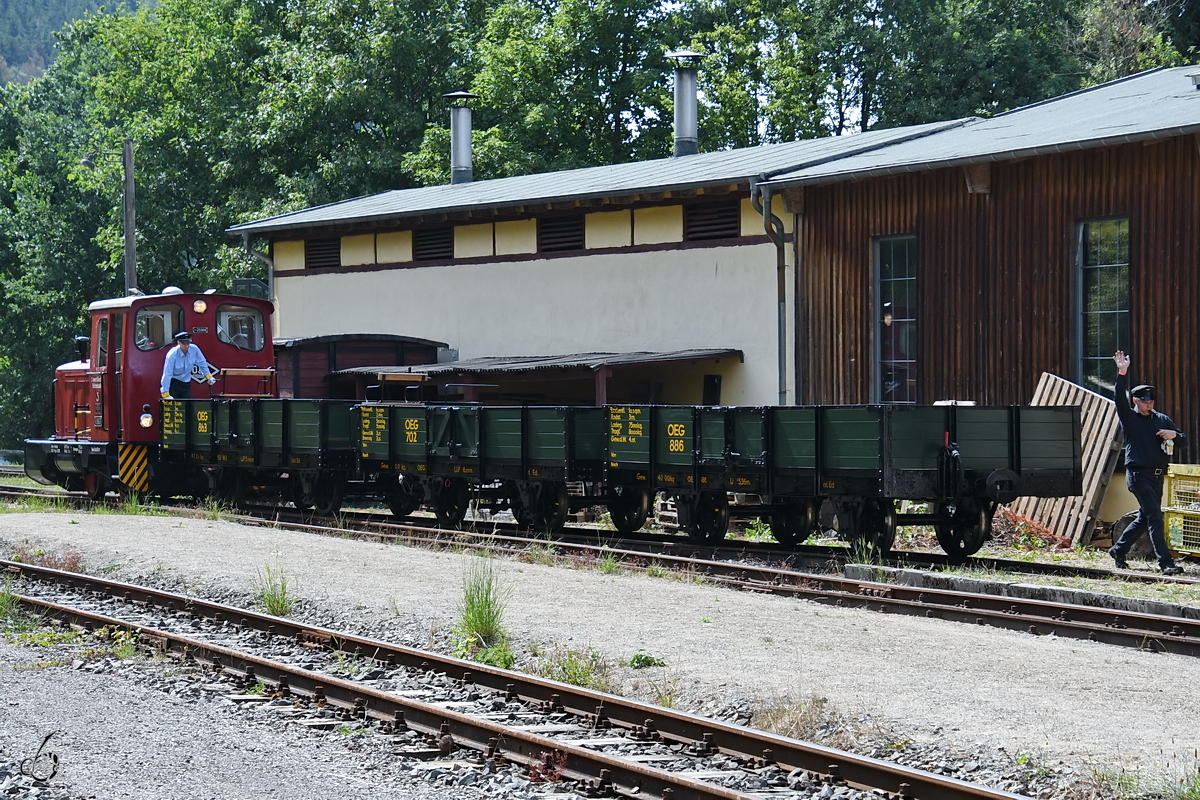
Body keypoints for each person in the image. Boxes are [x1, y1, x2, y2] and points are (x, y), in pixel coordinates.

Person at [1109, 350, 1185, 575]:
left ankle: (1118, 550)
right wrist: (1122, 372)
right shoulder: (1129, 417)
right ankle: (1166, 563)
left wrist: (1175, 436)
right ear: (1135, 401)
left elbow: (1184, 441)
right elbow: (1118, 399)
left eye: (1151, 401)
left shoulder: (1162, 419)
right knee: (1155, 516)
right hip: (1138, 475)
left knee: (1144, 517)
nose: (1148, 405)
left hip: (1157, 474)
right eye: (1144, 401)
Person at [159, 331, 216, 400]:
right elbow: (167, 374)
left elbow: (202, 362)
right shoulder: (172, 355)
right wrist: (165, 393)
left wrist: (208, 376)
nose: (187, 346)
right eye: (184, 344)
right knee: (174, 408)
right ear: (178, 342)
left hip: (186, 383)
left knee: (187, 406)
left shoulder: (194, 349)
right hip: (173, 383)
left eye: (188, 343)